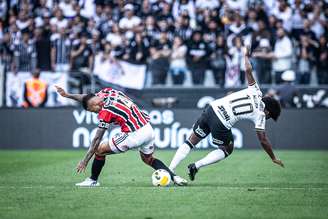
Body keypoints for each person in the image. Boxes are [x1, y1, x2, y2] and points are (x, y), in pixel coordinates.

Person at [169, 47, 284, 181]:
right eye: (270, 116)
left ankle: (170, 169)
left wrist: (245, 55)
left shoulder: (256, 91)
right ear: (268, 111)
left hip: (212, 108)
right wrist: (273, 158)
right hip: (222, 121)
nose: (268, 118)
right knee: (227, 149)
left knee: (191, 141)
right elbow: (263, 139)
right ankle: (196, 165)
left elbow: (247, 69)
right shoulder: (261, 114)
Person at [55, 86, 187, 186]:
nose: (94, 113)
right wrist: (67, 95)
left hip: (134, 134)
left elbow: (96, 138)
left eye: (92, 110)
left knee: (100, 149)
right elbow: (86, 98)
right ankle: (174, 177)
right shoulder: (107, 92)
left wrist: (85, 160)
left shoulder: (106, 110)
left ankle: (92, 180)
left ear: (94, 105)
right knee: (148, 159)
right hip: (148, 128)